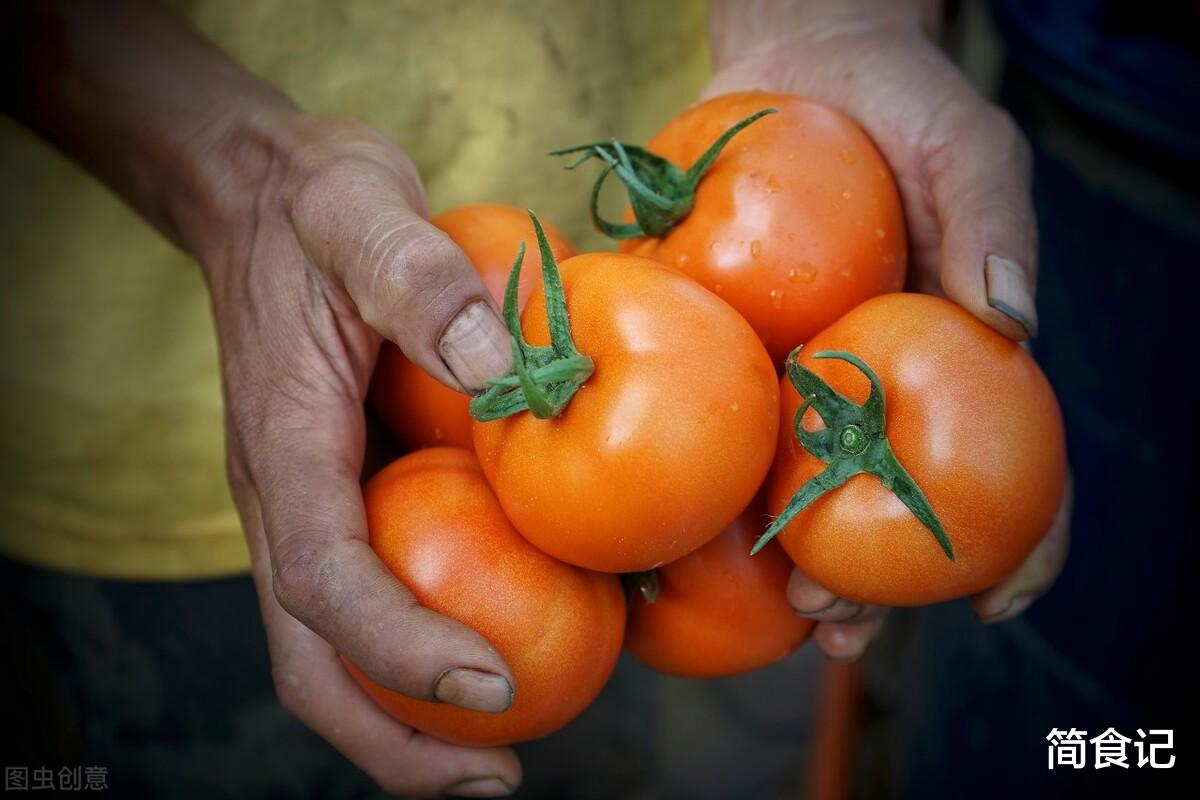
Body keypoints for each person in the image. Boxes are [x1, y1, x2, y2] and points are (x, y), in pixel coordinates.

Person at [1, 1, 1073, 796]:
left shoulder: (673, 381)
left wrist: (840, 20)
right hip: (149, 417)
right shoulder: (578, 398)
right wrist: (227, 173)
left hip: (710, 119)